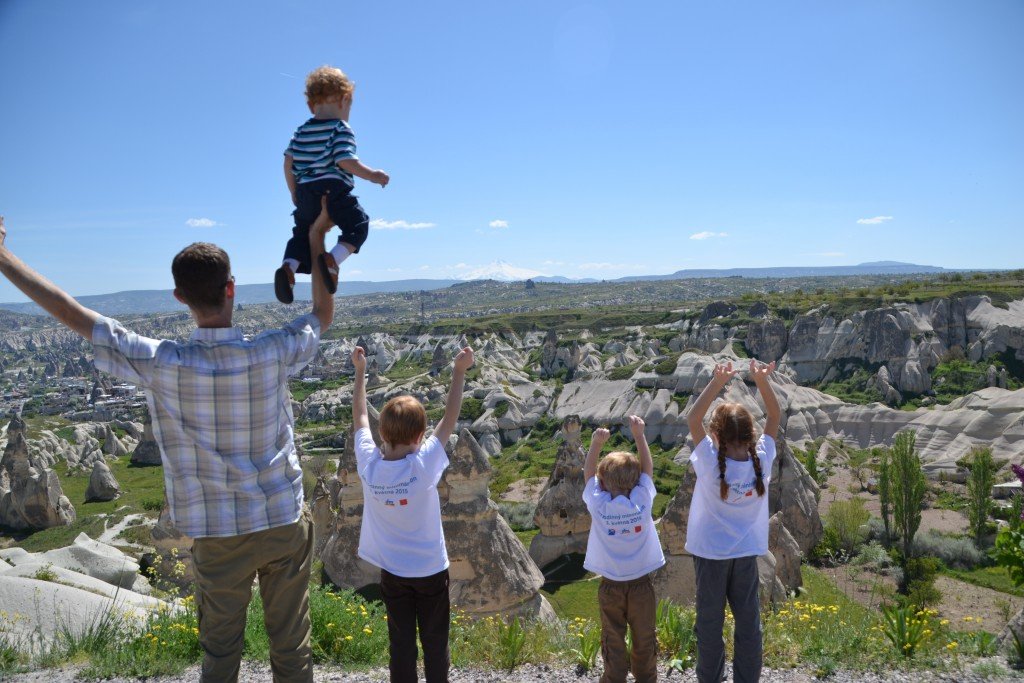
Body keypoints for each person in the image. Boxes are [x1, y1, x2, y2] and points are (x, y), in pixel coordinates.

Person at [0, 204, 335, 683]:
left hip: (217, 535)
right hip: (282, 521)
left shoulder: (162, 364)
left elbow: (76, 316)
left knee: (220, 657)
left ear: (180, 297)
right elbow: (322, 312)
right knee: (292, 651)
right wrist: (318, 241)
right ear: (231, 288)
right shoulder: (272, 352)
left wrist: (3, 257)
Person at [350, 344, 473, 683]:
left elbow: (360, 417)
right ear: (421, 436)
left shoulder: (369, 466)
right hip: (432, 571)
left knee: (400, 645)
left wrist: (360, 372)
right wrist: (459, 371)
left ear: (381, 434)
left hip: (393, 572)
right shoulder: (422, 466)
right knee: (436, 644)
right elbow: (449, 419)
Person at [685, 359, 781, 683]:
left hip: (710, 555)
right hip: (744, 556)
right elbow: (775, 416)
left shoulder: (711, 464)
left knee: (710, 625)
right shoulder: (761, 462)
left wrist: (716, 382)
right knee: (748, 623)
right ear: (752, 434)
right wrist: (761, 380)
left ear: (716, 434)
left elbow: (692, 417)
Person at [276, 65, 390, 303]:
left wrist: (294, 192)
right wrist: (372, 175)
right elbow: (344, 160)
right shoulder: (340, 127)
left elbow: (288, 163)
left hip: (305, 192)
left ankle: (288, 268)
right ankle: (333, 260)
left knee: (301, 234)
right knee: (359, 224)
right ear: (344, 100)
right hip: (334, 189)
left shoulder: (301, 131)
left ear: (310, 105)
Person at [582, 415, 666, 683]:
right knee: (644, 638)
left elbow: (587, 475)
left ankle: (614, 678)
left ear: (603, 483)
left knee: (613, 637)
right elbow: (648, 471)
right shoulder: (642, 502)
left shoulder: (600, 506)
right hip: (641, 584)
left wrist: (595, 444)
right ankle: (646, 678)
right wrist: (640, 435)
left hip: (610, 585)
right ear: (635, 481)